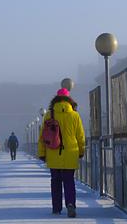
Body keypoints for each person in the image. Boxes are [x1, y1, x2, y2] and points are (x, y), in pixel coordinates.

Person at [38, 88, 85, 218]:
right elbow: (80, 136)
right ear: (69, 100)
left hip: (53, 151)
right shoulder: (75, 115)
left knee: (55, 181)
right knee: (69, 181)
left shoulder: (49, 115)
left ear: (56, 99)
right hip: (71, 152)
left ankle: (56, 207)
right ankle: (70, 204)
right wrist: (81, 151)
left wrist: (42, 153)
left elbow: (43, 136)